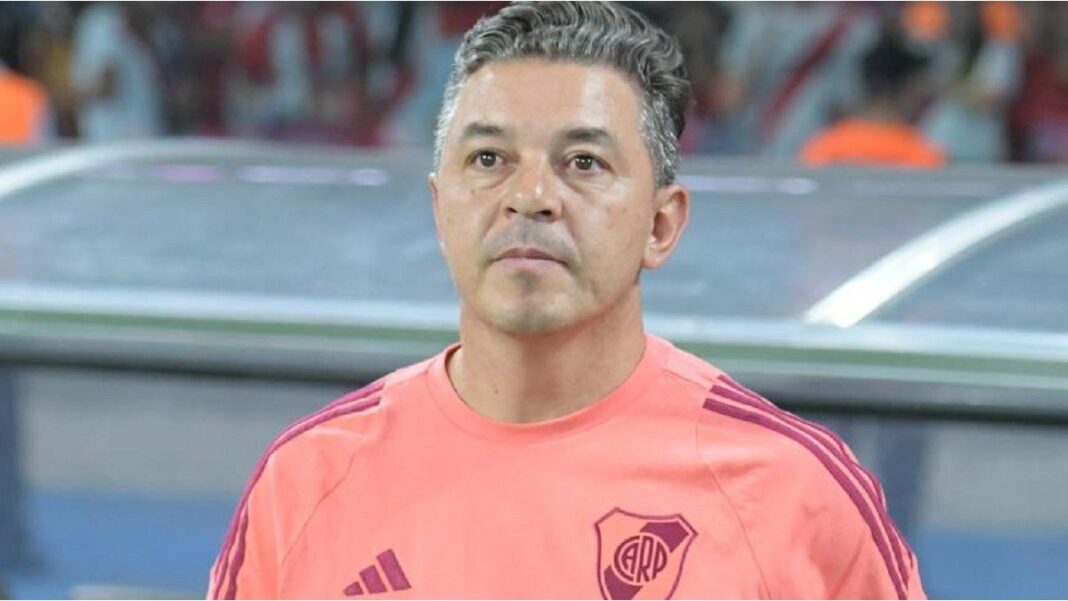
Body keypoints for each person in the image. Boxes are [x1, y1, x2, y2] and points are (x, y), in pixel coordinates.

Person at [208, 3, 925, 599]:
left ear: (661, 224)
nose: (530, 196)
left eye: (584, 162)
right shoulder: (306, 481)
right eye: (489, 159)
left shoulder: (792, 493)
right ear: (439, 208)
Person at [800, 23, 945, 167]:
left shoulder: (823, 147)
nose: (924, 94)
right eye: (919, 84)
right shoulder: (922, 153)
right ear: (906, 87)